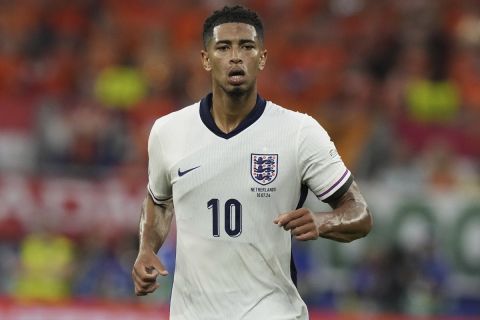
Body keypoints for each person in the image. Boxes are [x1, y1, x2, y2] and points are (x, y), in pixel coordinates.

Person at [131, 5, 372, 320]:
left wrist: (323, 221)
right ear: (205, 59)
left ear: (262, 58)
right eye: (223, 47)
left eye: (246, 46)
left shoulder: (299, 132)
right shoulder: (168, 131)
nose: (235, 56)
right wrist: (146, 247)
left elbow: (360, 214)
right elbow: (159, 203)